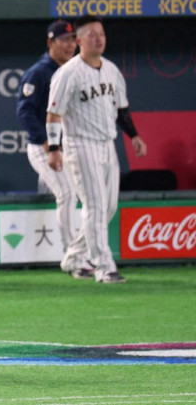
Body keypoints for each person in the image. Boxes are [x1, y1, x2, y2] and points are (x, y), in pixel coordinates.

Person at [46, 15, 147, 284]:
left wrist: (134, 135)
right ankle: (103, 266)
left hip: (107, 145)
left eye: (101, 33)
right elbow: (53, 114)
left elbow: (121, 108)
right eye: (92, 34)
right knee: (95, 207)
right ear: (79, 40)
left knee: (109, 207)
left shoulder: (112, 70)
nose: (98, 38)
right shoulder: (67, 73)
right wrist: (54, 149)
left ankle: (72, 254)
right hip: (80, 145)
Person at [16, 20, 91, 278]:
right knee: (68, 194)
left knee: (83, 197)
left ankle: (81, 253)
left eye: (73, 39)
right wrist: (48, 143)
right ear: (51, 43)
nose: (70, 44)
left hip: (70, 145)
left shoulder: (78, 69)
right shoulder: (39, 72)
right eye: (64, 39)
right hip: (43, 146)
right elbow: (25, 111)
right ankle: (75, 257)